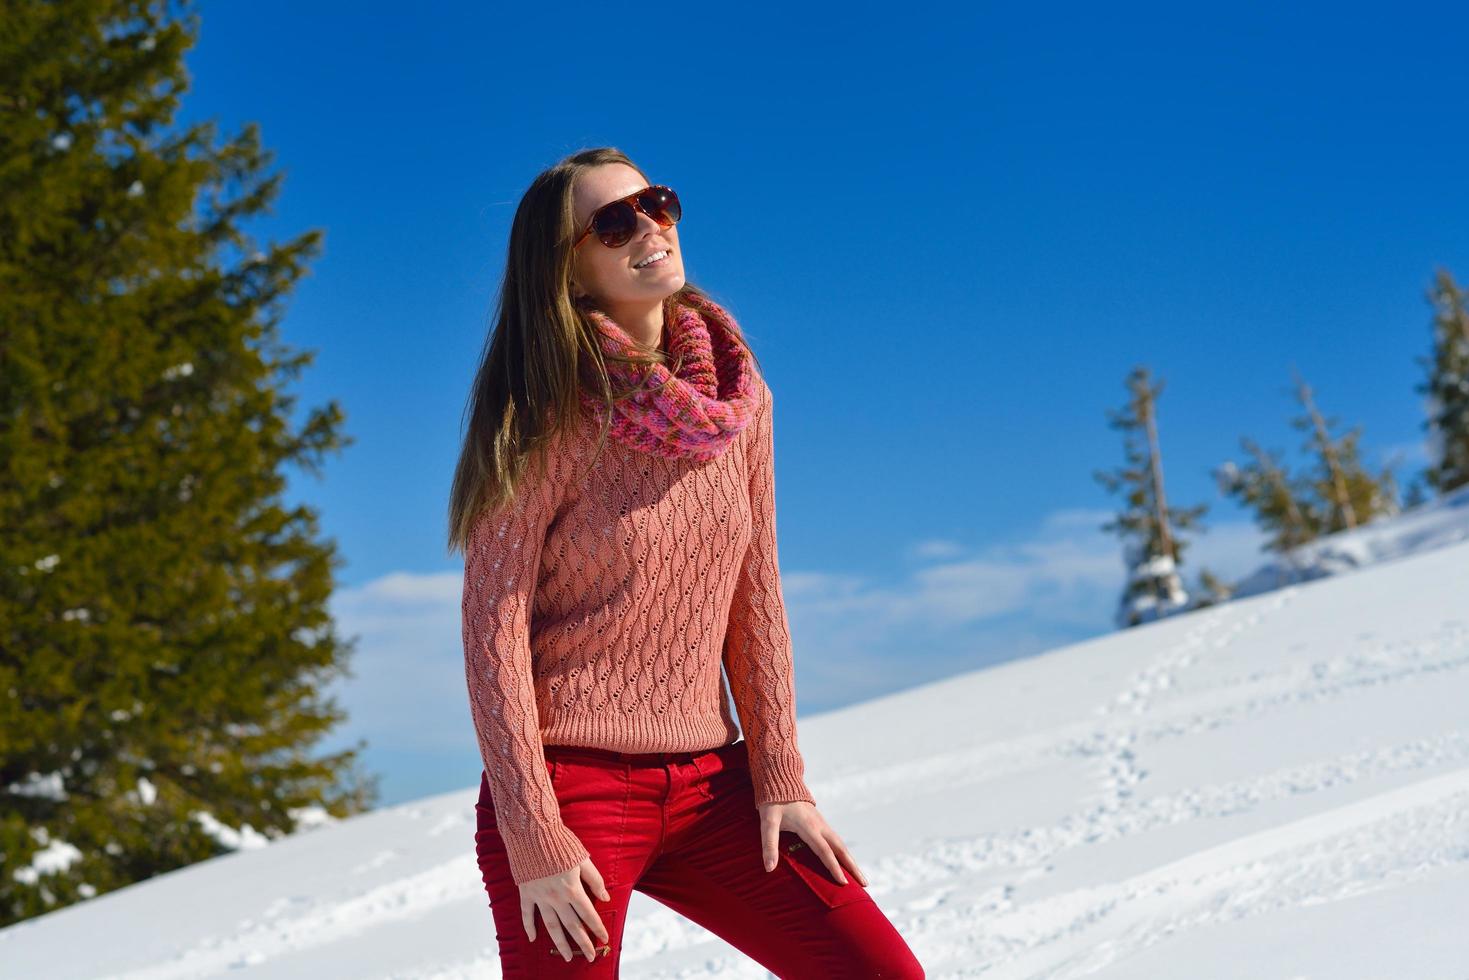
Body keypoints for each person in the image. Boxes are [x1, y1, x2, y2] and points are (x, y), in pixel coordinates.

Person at [447, 146, 925, 978]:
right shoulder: (546, 414)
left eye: (656, 204)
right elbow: (493, 632)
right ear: (567, 271)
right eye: (613, 222)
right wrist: (533, 833)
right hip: (572, 794)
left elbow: (757, 589)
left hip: (713, 786)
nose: (650, 229)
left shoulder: (741, 400)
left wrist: (780, 776)